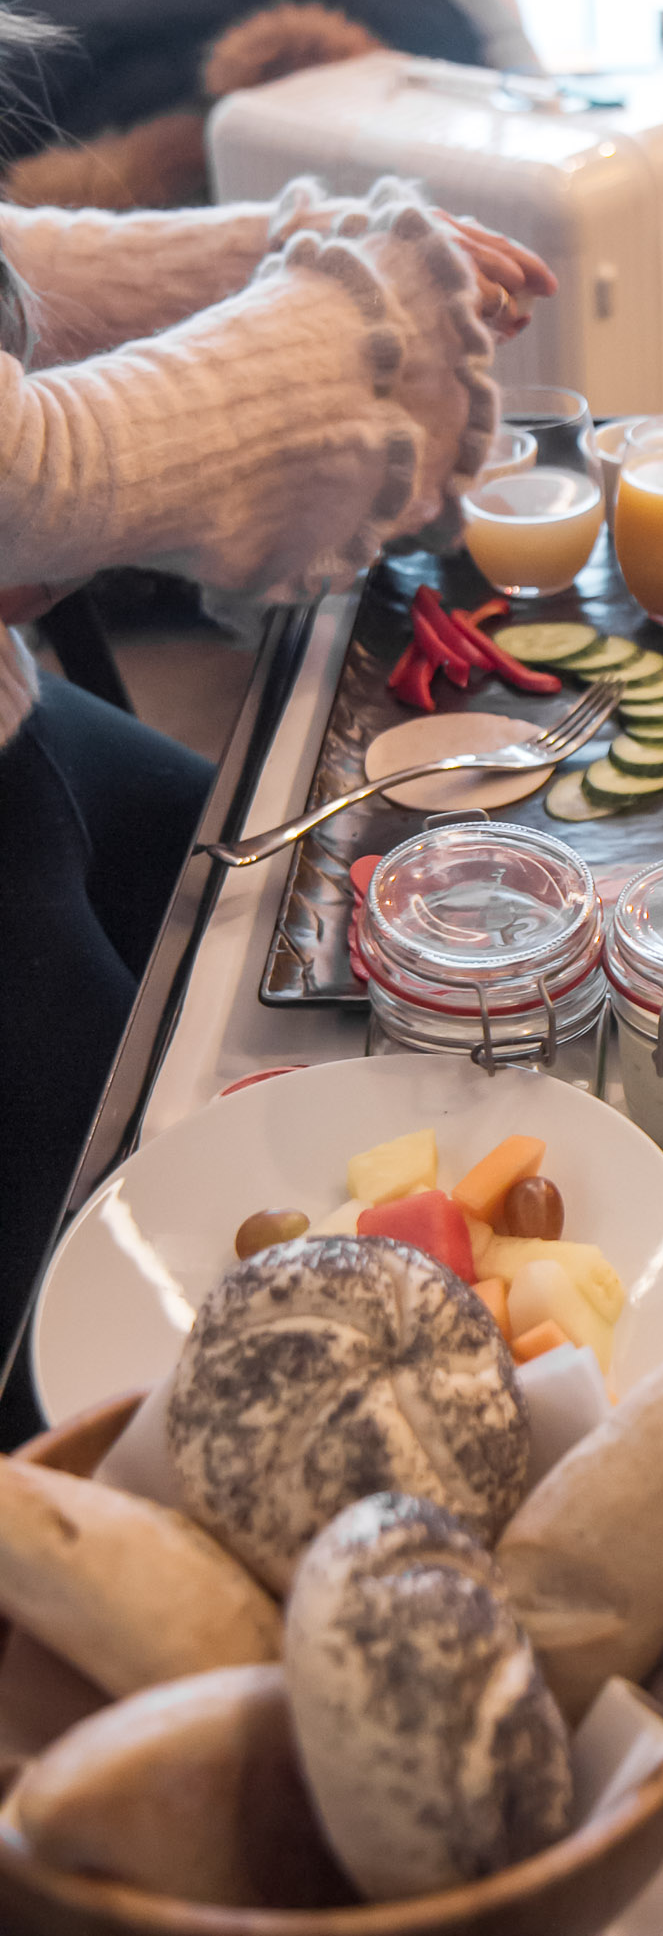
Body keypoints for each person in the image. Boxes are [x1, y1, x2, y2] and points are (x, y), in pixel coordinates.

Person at [0, 170, 557, 1366]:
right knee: (101, 1235)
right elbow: (26, 480)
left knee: (265, 940)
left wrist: (272, 244)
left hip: (21, 714)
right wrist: (359, 317)